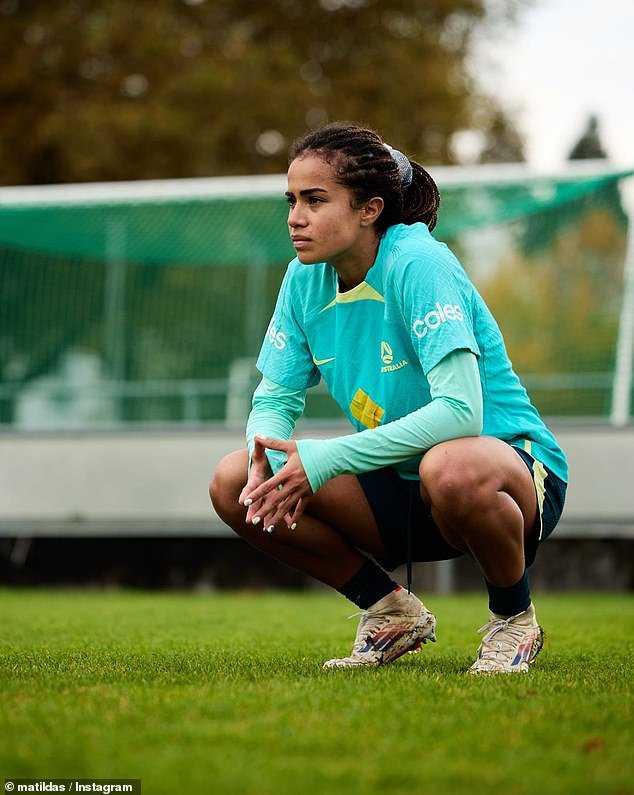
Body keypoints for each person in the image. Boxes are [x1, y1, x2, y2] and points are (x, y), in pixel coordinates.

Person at [209, 122, 567, 674]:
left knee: (451, 465)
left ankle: (514, 620)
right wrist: (267, 460)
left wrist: (325, 458)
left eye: (315, 200)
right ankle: (388, 610)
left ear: (369, 209)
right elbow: (275, 398)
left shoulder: (419, 264)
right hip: (399, 485)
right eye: (291, 200)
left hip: (504, 472)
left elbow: (461, 413)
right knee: (235, 482)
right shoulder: (303, 279)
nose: (294, 217)